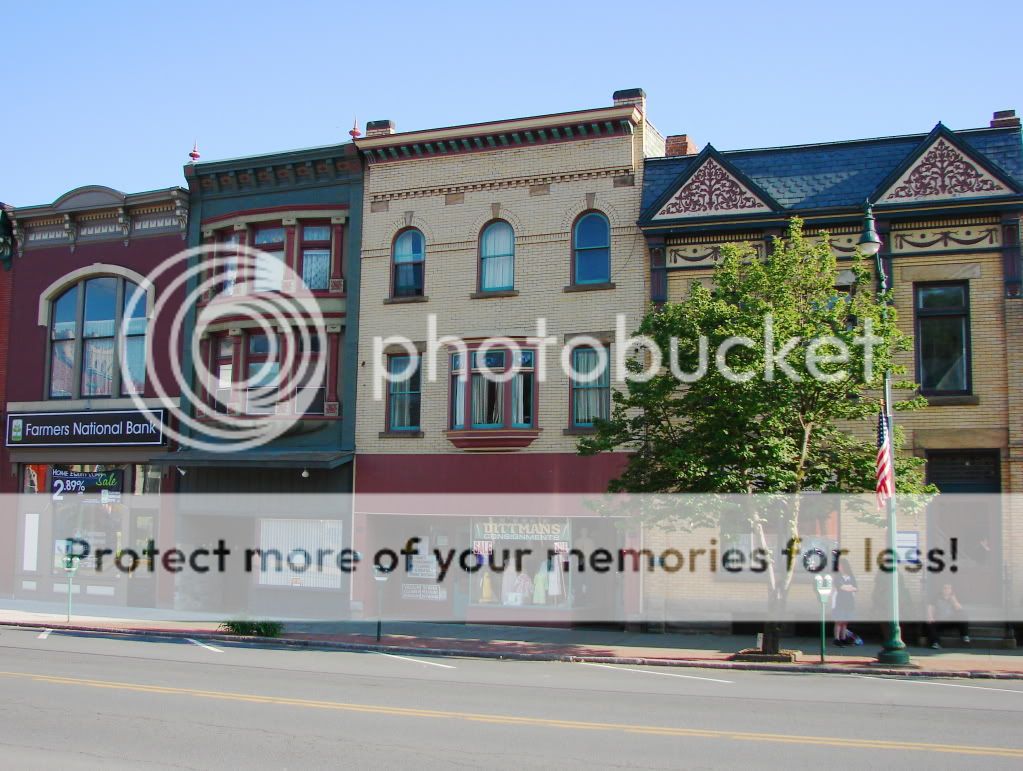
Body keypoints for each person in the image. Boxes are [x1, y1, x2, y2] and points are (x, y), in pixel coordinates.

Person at [926, 582, 970, 649]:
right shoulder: (936, 597)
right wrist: (930, 617)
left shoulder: (953, 597)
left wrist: (953, 600)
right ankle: (935, 643)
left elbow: (959, 609)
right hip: (939, 621)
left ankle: (965, 635)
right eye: (945, 588)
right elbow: (930, 607)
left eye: (949, 588)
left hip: (950, 621)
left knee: (963, 614)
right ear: (942, 589)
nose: (947, 590)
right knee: (930, 623)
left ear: (951, 590)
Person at [832, 558, 862, 646]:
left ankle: (843, 638)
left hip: (849, 601)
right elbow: (840, 587)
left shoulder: (851, 577)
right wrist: (849, 587)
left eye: (840, 565)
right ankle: (837, 639)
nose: (838, 567)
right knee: (839, 621)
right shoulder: (837, 577)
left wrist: (848, 587)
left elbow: (856, 588)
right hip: (840, 601)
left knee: (845, 621)